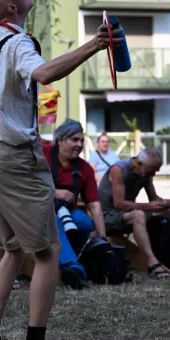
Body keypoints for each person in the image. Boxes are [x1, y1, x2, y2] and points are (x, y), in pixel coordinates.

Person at [0, 0, 119, 340]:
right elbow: (45, 74)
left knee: (14, 249)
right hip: (13, 158)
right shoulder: (18, 43)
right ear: (13, 7)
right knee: (48, 252)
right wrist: (94, 45)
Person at [98, 148, 170, 279]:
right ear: (140, 164)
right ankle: (152, 262)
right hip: (107, 217)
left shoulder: (145, 173)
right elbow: (119, 205)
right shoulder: (119, 170)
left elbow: (153, 198)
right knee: (138, 215)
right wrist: (148, 206)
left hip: (127, 213)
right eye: (152, 170)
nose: (154, 173)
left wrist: (163, 202)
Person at [44, 119, 106, 287]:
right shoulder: (42, 155)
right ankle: (72, 267)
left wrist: (103, 238)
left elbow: (94, 205)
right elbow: (24, 183)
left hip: (68, 212)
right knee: (54, 222)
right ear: (61, 140)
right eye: (75, 140)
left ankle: (67, 258)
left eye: (82, 141)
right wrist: (54, 192)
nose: (80, 144)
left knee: (85, 223)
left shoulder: (85, 169)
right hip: (38, 211)